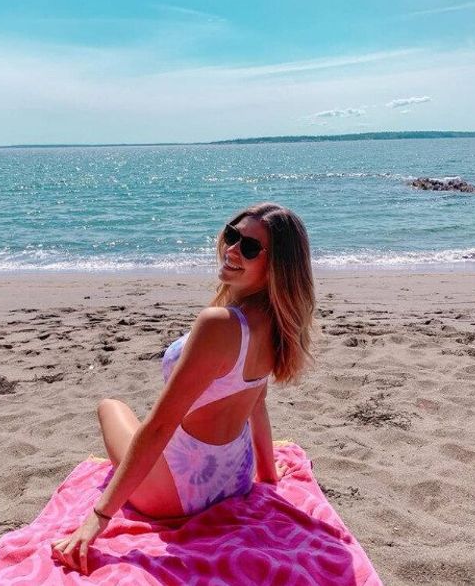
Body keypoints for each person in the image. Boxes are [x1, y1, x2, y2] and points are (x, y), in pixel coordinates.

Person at [51, 203, 315, 573]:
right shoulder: (279, 323)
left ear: (277, 265)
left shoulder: (219, 323)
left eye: (250, 247)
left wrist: (98, 517)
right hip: (236, 477)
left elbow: (160, 426)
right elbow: (257, 402)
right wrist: (267, 475)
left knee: (110, 406)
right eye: (232, 235)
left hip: (179, 492)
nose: (232, 249)